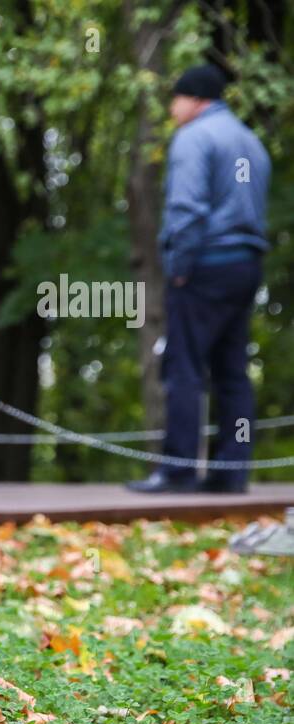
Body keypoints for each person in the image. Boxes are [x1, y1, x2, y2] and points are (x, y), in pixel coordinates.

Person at [128, 64, 271, 494]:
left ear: (196, 99)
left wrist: (179, 268)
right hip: (245, 264)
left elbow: (187, 209)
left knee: (183, 367)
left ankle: (177, 469)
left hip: (205, 263)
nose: (172, 108)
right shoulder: (252, 143)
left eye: (176, 98)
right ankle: (231, 471)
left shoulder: (194, 138)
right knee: (232, 372)